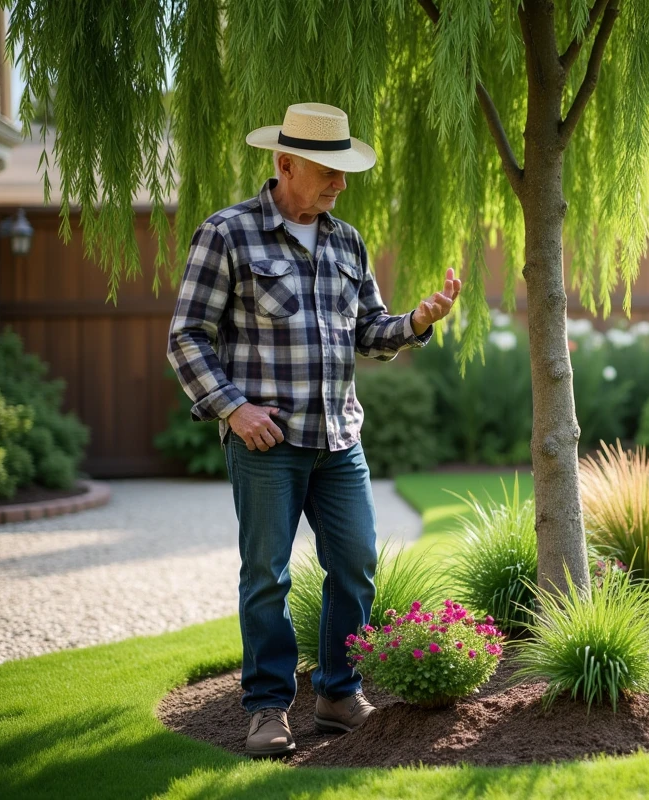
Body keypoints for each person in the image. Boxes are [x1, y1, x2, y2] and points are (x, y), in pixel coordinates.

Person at [167, 102, 460, 757]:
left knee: (356, 564)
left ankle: (336, 693)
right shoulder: (227, 234)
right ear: (284, 163)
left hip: (339, 439)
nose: (340, 184)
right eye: (329, 170)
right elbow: (187, 336)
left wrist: (415, 320)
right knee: (266, 576)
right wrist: (234, 409)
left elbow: (367, 333)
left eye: (345, 171)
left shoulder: (346, 241)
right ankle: (268, 709)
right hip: (266, 445)